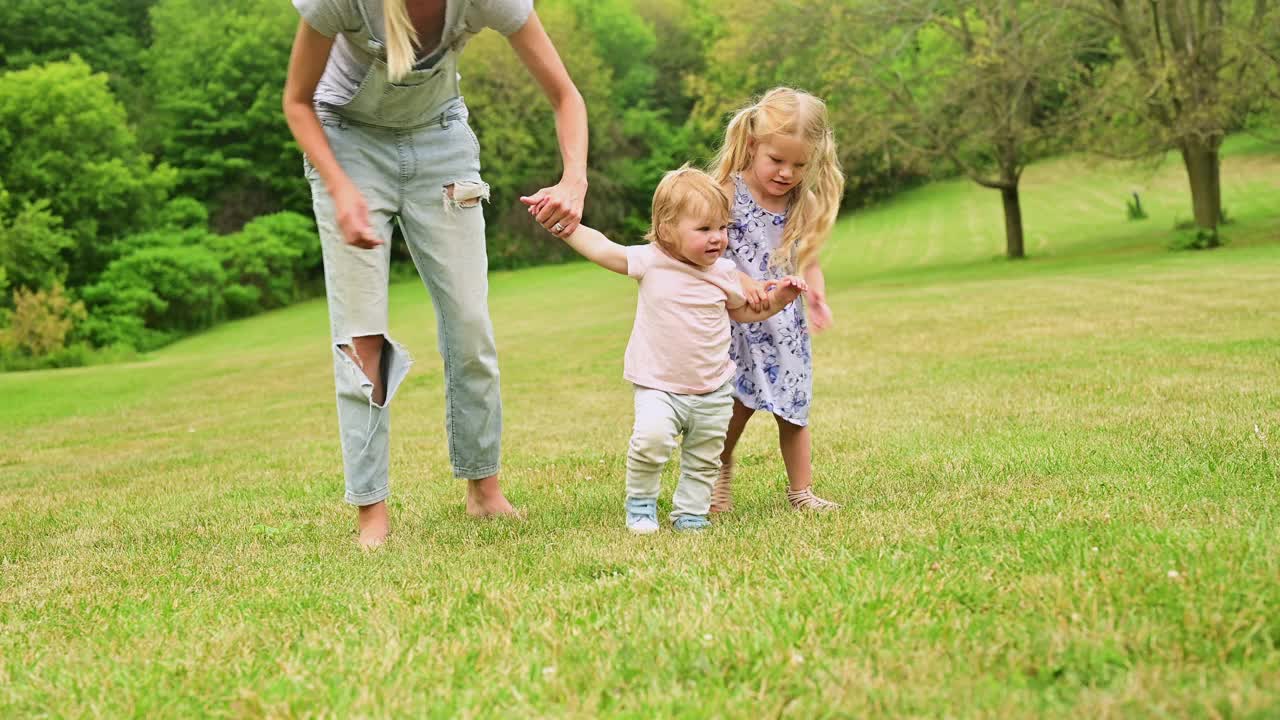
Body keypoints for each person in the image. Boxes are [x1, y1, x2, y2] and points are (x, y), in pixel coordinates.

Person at [282, 0, 589, 547]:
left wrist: (574, 180)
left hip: (440, 140)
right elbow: (297, 102)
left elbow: (566, 96)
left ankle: (484, 490)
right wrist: (341, 188)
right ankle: (372, 513)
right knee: (363, 338)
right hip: (347, 143)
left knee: (471, 324)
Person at [536, 167, 806, 533]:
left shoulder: (724, 273)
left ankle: (691, 513)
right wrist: (563, 225)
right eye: (704, 229)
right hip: (658, 384)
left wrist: (780, 298)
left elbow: (744, 312)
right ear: (667, 231)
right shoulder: (651, 261)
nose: (718, 239)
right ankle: (642, 504)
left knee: (705, 456)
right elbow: (602, 248)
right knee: (651, 441)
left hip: (712, 388)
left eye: (722, 228)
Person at [708, 87, 845, 513]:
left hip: (784, 326)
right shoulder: (726, 194)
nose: (786, 173)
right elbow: (703, 253)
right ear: (753, 145)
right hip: (736, 323)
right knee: (734, 409)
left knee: (794, 409)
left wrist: (816, 289)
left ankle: (801, 492)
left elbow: (808, 259)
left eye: (799, 165)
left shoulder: (801, 204)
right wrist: (736, 280)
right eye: (777, 160)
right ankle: (718, 477)